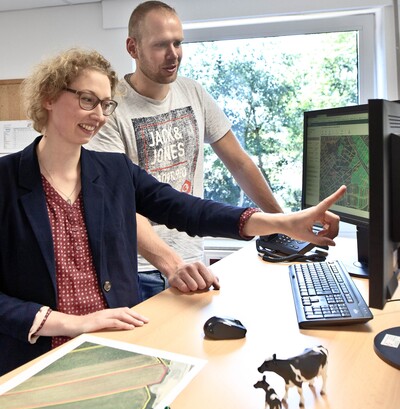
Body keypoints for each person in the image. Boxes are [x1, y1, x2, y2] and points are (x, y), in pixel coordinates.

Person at [0, 47, 345, 375]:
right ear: (48, 96)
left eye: (106, 105)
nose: (99, 116)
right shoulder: (6, 181)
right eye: (87, 100)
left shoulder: (114, 172)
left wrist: (283, 223)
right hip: (37, 358)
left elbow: (189, 210)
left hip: (117, 348)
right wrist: (68, 322)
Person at [87, 0, 284, 300]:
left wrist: (283, 223)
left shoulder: (193, 92)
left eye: (178, 42)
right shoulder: (110, 109)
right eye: (160, 45)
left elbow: (239, 163)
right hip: (141, 270)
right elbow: (121, 203)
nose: (173, 54)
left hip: (192, 261)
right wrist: (171, 264)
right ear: (132, 48)